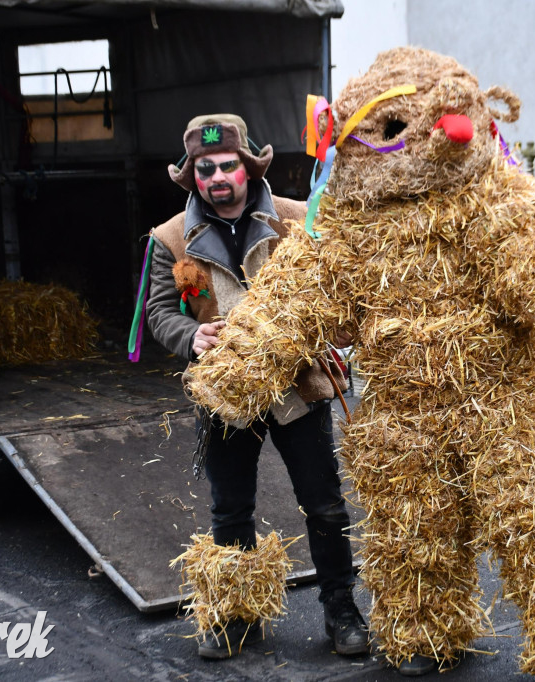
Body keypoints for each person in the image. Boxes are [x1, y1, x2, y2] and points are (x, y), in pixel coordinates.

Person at [144, 113, 367, 659]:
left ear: (248, 167)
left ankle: (341, 609)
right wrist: (191, 335)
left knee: (324, 504)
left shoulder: (297, 219)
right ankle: (236, 615)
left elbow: (337, 292)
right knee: (230, 510)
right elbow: (159, 311)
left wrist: (329, 330)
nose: (217, 177)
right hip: (226, 395)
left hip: (298, 388)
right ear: (192, 176)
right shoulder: (169, 238)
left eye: (227, 166)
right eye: (205, 169)